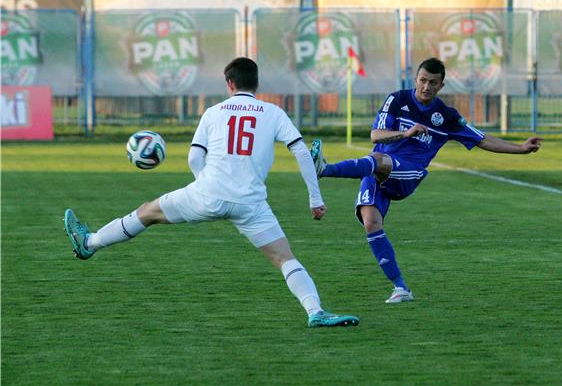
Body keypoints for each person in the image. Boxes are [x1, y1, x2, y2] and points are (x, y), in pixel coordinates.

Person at [64, 57, 359, 328]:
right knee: (284, 258)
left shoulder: (214, 112)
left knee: (147, 212)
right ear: (256, 84)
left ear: (229, 84)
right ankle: (315, 312)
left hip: (206, 194)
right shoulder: (273, 113)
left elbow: (194, 158)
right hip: (250, 204)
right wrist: (315, 199)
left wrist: (207, 186)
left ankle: (89, 242)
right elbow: (302, 153)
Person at [310, 57, 543, 304]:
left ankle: (324, 169)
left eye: (433, 82)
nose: (426, 87)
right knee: (371, 222)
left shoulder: (447, 115)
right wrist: (405, 132)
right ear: (416, 79)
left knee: (378, 159)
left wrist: (521, 148)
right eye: (423, 80)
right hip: (377, 168)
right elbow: (376, 134)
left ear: (441, 85)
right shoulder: (398, 100)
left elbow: (482, 139)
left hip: (408, 173)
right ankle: (401, 289)